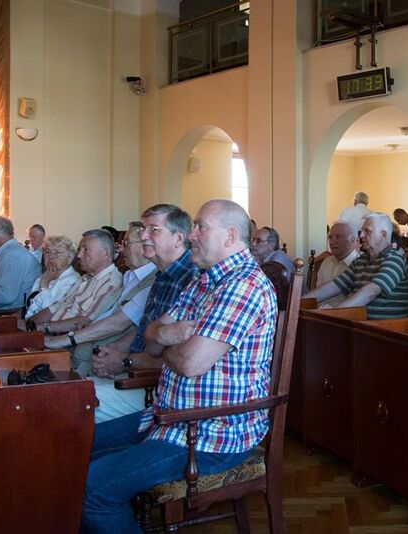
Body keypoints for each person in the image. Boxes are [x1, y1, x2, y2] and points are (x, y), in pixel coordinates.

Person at [80, 199, 277, 533]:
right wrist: (172, 336)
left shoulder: (243, 285)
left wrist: (169, 343)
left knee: (92, 489)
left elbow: (189, 363)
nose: (191, 235)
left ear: (230, 237)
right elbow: (152, 335)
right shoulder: (203, 279)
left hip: (211, 433)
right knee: (77, 448)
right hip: (167, 416)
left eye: (201, 227)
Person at [86, 204, 198, 422]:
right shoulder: (162, 275)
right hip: (134, 372)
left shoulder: (192, 278)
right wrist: (111, 352)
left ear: (178, 238)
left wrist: (125, 361)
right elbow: (143, 330)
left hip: (158, 386)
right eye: (143, 230)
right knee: (63, 391)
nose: (143, 236)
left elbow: (180, 356)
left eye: (153, 230)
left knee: (73, 403)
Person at [45, 222, 157, 376]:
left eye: (126, 243)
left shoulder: (152, 281)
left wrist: (61, 338)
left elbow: (118, 324)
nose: (121, 250)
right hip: (83, 353)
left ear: (146, 245)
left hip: (103, 362)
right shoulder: (129, 276)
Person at [303, 212, 408, 319]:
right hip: (360, 323)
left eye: (367, 231)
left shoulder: (395, 258)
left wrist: (334, 313)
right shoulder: (361, 260)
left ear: (383, 235)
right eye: (362, 231)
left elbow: (371, 291)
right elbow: (335, 285)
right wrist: (298, 302)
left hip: (386, 327)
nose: (361, 235)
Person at [30, 229, 122, 335]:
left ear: (105, 253)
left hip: (59, 339)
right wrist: (29, 324)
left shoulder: (110, 283)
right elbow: (55, 307)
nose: (78, 255)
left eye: (85, 250)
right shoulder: (85, 278)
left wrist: (41, 328)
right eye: (79, 250)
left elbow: (85, 323)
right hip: (45, 332)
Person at [24, 235, 81, 319]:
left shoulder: (73, 281)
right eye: (47, 252)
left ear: (69, 259)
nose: (50, 256)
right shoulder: (44, 276)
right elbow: (30, 306)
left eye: (57, 253)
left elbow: (53, 314)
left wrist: (44, 286)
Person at [314, 221, 360, 306]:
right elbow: (317, 297)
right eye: (330, 237)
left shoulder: (360, 265)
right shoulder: (326, 262)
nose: (332, 242)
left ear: (354, 240)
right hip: (319, 311)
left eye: (338, 237)